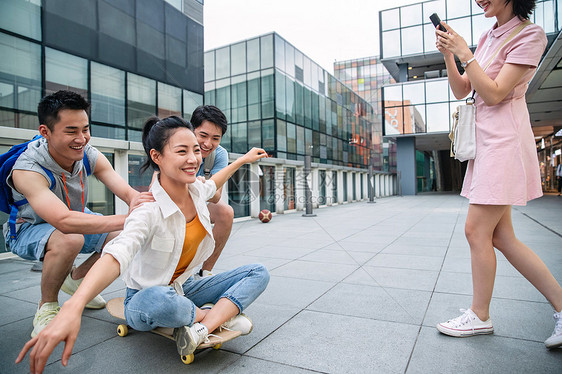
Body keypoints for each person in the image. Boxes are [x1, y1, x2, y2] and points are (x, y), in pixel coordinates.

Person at [16, 115, 270, 373]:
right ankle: (216, 317)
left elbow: (215, 182)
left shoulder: (196, 190)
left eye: (196, 150)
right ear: (157, 156)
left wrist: (243, 159)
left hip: (186, 287)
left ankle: (203, 325)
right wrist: (74, 306)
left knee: (258, 272)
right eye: (182, 151)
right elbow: (116, 255)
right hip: (145, 297)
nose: (193, 159)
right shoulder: (147, 210)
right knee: (160, 299)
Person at [434, 0, 562, 349]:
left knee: (476, 230)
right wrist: (450, 53)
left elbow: (494, 93)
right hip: (485, 143)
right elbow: (465, 90)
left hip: (504, 143)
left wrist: (465, 53)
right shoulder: (488, 34)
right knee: (502, 237)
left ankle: (480, 315)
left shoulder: (530, 35)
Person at [4, 90, 152, 338]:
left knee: (122, 234)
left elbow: (129, 194)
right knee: (71, 237)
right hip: (27, 229)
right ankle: (47, 306)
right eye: (71, 131)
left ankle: (74, 278)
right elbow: (63, 221)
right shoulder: (27, 168)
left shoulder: (88, 154)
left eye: (85, 129)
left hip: (72, 220)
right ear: (45, 132)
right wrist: (131, 218)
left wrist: (145, 203)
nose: (81, 139)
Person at [191, 105, 233, 278]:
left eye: (215, 138)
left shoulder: (219, 155)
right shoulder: (174, 145)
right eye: (203, 135)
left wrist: (202, 185)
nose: (208, 144)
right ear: (191, 130)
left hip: (197, 204)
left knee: (225, 212)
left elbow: (216, 196)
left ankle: (205, 271)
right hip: (171, 207)